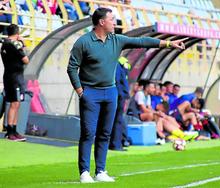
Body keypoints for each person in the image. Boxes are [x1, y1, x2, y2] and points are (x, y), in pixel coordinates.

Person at [67, 7, 187, 183]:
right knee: (88, 133)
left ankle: (100, 171)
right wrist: (80, 91)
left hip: (111, 92)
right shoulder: (83, 42)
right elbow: (71, 68)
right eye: (112, 19)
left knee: (105, 133)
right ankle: (84, 172)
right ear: (101, 22)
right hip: (90, 93)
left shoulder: (117, 40)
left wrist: (168, 44)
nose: (115, 22)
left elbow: (142, 41)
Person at [1, 24, 29, 141]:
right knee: (14, 104)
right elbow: (26, 60)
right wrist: (23, 44)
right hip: (15, 78)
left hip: (8, 76)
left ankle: (13, 130)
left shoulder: (4, 43)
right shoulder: (15, 44)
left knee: (15, 103)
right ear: (17, 34)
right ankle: (11, 131)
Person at [109, 56, 131, 151]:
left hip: (112, 94)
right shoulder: (119, 63)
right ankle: (116, 144)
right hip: (118, 95)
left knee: (111, 120)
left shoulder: (110, 61)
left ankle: (112, 143)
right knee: (118, 120)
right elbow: (121, 80)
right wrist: (125, 95)